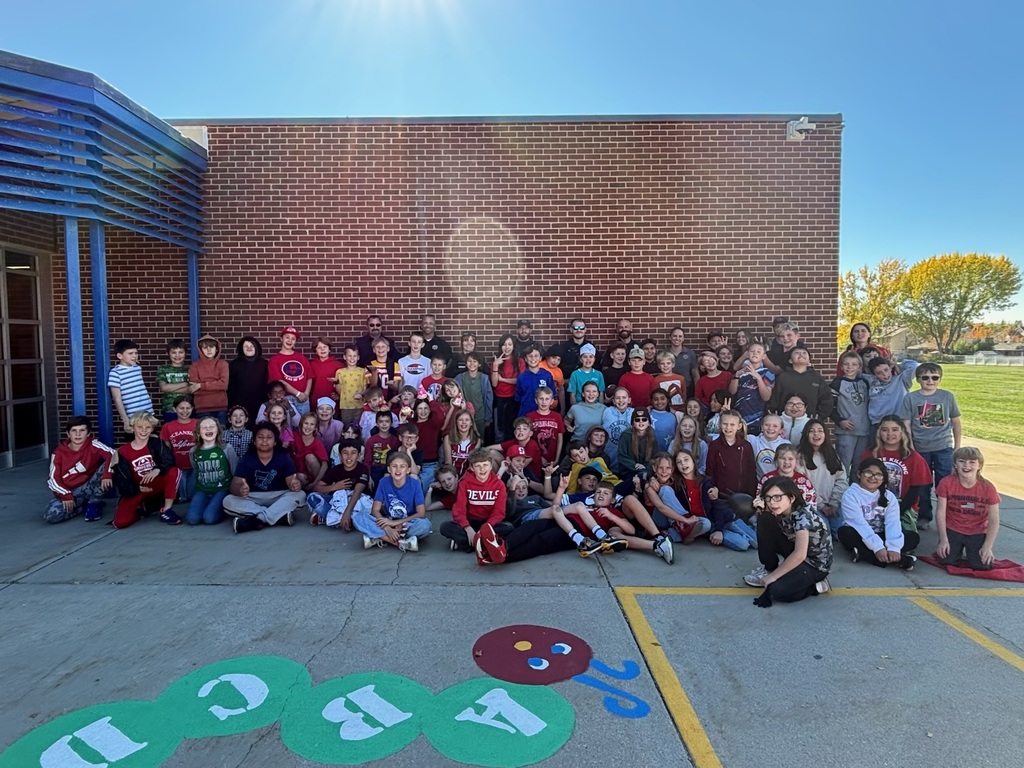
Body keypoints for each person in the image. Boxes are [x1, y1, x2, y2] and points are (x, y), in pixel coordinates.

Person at [745, 477, 833, 606]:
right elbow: (766, 517)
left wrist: (773, 577)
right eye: (768, 498)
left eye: (777, 497)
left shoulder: (802, 517)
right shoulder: (781, 508)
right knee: (764, 518)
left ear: (791, 498)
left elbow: (800, 555)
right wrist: (759, 507)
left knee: (777, 590)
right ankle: (769, 568)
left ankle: (817, 586)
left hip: (814, 564)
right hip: (796, 548)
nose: (772, 503)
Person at [900, 363, 961, 530]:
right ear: (918, 379)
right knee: (923, 484)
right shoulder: (911, 398)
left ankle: (948, 516)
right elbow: (907, 425)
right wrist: (911, 447)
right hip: (920, 448)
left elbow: (955, 422)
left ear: (940, 379)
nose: (930, 380)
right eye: (925, 377)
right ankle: (924, 516)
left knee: (945, 482)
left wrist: (957, 446)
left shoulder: (947, 396)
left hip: (943, 446)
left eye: (934, 377)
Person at [224, 422, 306, 533]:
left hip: (279, 495)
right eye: (260, 437)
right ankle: (278, 517)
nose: (264, 441)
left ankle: (259, 520)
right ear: (254, 441)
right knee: (228, 501)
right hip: (253, 497)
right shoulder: (247, 459)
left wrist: (295, 485)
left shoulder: (283, 457)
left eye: (269, 437)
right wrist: (240, 490)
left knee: (300, 495)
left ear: (275, 441)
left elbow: (292, 482)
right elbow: (234, 485)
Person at [838, 458, 918, 568]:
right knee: (845, 533)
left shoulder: (889, 496)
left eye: (878, 475)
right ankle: (897, 560)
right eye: (868, 473)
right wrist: (878, 548)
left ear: (883, 478)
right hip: (861, 534)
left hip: (882, 534)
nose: (873, 477)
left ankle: (864, 554)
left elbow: (892, 523)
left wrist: (894, 548)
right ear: (859, 474)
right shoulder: (850, 495)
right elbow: (859, 524)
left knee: (913, 537)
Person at [112, 411, 181, 528]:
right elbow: (121, 480)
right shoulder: (122, 451)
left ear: (151, 429)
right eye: (140, 427)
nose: (144, 430)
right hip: (138, 488)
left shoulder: (157, 443)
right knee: (119, 523)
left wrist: (157, 469)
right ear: (133, 428)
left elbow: (169, 461)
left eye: (148, 427)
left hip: (156, 483)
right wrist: (136, 488)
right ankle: (142, 510)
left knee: (174, 471)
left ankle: (167, 510)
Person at [936, 447, 1000, 570]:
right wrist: (943, 540)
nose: (966, 465)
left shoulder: (988, 487)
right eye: (962, 461)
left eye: (972, 462)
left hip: (977, 531)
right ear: (955, 464)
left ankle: (972, 550)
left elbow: (994, 519)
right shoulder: (946, 483)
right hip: (953, 529)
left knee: (982, 565)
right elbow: (940, 513)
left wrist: (987, 546)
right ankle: (956, 549)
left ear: (979, 466)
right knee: (946, 560)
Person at [45, 416, 117, 523]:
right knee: (51, 515)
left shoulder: (94, 445)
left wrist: (107, 475)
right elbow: (53, 480)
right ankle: (81, 507)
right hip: (70, 492)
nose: (78, 434)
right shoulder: (58, 453)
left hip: (89, 486)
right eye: (74, 431)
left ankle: (94, 504)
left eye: (82, 430)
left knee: (113, 462)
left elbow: (113, 454)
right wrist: (66, 495)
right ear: (68, 434)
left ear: (88, 433)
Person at [864, 416, 931, 531]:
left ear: (902, 432)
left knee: (905, 539)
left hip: (903, 506)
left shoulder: (914, 457)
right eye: (885, 430)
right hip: (873, 505)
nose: (890, 434)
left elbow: (917, 489)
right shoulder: (870, 454)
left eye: (895, 430)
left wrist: (898, 510)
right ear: (879, 433)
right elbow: (863, 484)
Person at [355, 450, 430, 551]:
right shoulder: (383, 482)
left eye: (402, 466)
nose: (398, 469)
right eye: (394, 466)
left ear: (408, 470)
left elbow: (421, 513)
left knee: (424, 525)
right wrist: (388, 527)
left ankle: (379, 537)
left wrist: (395, 523)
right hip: (387, 520)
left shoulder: (414, 484)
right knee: (358, 517)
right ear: (389, 469)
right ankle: (398, 542)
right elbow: (375, 510)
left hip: (407, 522)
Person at [441, 449, 512, 552]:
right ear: (472, 468)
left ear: (491, 466)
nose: (482, 469)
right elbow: (459, 510)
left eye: (485, 465)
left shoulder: (499, 485)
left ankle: (469, 543)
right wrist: (467, 528)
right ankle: (484, 544)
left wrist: (485, 529)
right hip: (471, 522)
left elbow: (499, 512)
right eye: (478, 466)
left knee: (509, 528)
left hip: (489, 523)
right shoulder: (464, 483)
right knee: (445, 527)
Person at [642, 451, 713, 544]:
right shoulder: (651, 487)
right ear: (654, 469)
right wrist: (685, 520)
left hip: (675, 519)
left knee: (706, 523)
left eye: (668, 468)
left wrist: (714, 488)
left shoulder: (675, 481)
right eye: (660, 468)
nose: (664, 471)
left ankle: (670, 534)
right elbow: (661, 507)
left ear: (673, 470)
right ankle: (682, 527)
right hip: (658, 519)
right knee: (666, 490)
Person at [797, 419, 849, 533]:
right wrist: (821, 506)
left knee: (842, 531)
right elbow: (802, 486)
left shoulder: (832, 454)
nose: (816, 434)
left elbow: (842, 480)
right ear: (806, 435)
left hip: (833, 504)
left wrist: (834, 503)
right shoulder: (799, 457)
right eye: (812, 431)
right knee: (825, 532)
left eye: (820, 431)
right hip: (812, 506)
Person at [308, 438, 372, 529]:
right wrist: (334, 487)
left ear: (359, 455)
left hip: (356, 502)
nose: (349, 457)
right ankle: (343, 520)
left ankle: (333, 519)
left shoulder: (362, 469)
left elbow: (358, 491)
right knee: (313, 497)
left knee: (363, 507)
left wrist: (347, 513)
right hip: (338, 504)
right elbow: (317, 487)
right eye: (345, 453)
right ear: (340, 456)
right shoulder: (336, 469)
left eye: (353, 453)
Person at [187, 416, 236, 526]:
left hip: (222, 489)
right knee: (192, 519)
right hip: (202, 490)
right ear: (199, 432)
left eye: (212, 427)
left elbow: (234, 470)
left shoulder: (227, 448)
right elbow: (196, 469)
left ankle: (222, 509)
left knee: (209, 519)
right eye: (204, 427)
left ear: (218, 430)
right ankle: (209, 504)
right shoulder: (194, 451)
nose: (208, 429)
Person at [830, 352, 872, 474]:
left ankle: (855, 489)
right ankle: (841, 490)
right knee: (843, 464)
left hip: (864, 430)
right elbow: (829, 406)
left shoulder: (864, 383)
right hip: (846, 431)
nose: (850, 367)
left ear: (859, 367)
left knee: (859, 465)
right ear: (841, 367)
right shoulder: (837, 383)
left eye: (854, 364)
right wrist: (839, 421)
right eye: (846, 364)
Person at [767, 346, 832, 420]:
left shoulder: (817, 378)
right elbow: (773, 400)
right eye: (797, 353)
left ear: (809, 360)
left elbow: (826, 400)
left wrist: (817, 418)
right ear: (790, 360)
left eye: (804, 353)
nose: (801, 354)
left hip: (809, 422)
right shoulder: (782, 377)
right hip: (784, 422)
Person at [108, 339, 153, 434]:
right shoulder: (115, 373)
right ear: (119, 356)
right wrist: (125, 419)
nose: (134, 356)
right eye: (130, 353)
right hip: (133, 416)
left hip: (148, 412)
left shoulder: (137, 368)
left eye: (136, 353)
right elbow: (117, 398)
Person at [729, 341, 773, 435]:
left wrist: (758, 378)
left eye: (758, 351)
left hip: (757, 419)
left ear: (763, 356)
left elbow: (766, 397)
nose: (755, 353)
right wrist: (736, 376)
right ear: (748, 354)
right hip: (739, 418)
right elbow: (732, 392)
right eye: (752, 351)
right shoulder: (741, 373)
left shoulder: (767, 373)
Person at [865, 356, 918, 434]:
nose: (885, 374)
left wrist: (896, 364)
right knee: (876, 446)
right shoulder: (871, 381)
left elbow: (914, 366)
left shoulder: (901, 380)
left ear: (890, 368)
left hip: (898, 422)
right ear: (874, 375)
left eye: (886, 370)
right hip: (877, 423)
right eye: (879, 373)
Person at [268, 326, 312, 416]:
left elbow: (309, 376)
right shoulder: (274, 359)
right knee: (286, 426)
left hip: (302, 399)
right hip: (285, 399)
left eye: (293, 339)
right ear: (281, 339)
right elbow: (279, 381)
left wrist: (306, 394)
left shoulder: (301, 358)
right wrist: (298, 393)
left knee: (304, 426)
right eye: (287, 337)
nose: (290, 341)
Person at [160, 395, 197, 501]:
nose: (185, 411)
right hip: (178, 466)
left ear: (192, 409)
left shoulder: (197, 424)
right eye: (181, 408)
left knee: (190, 496)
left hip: (194, 466)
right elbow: (166, 449)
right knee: (182, 497)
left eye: (188, 408)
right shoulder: (167, 427)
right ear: (174, 409)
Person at [227, 336, 268, 429]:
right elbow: (231, 387)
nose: (249, 348)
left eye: (251, 346)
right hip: (240, 405)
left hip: (260, 404)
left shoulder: (264, 364)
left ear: (256, 348)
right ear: (241, 348)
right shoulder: (234, 365)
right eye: (246, 346)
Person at [491, 334, 525, 442]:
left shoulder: (520, 361)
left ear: (514, 346)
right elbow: (494, 383)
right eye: (504, 344)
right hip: (499, 399)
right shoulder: (495, 362)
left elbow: (520, 381)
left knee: (512, 430)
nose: (507, 347)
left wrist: (503, 379)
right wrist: (496, 366)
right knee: (499, 430)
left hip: (514, 399)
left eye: (509, 344)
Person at [188, 334, 229, 423]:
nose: (209, 350)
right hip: (202, 409)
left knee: (221, 435)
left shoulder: (223, 364)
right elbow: (194, 389)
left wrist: (200, 385)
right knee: (203, 434)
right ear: (200, 350)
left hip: (220, 407)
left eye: (211, 347)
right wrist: (215, 385)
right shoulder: (194, 366)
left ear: (217, 348)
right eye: (205, 347)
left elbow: (223, 385)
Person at [456, 351, 493, 440]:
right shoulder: (460, 378)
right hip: (464, 417)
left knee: (479, 439)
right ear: (465, 363)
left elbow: (489, 398)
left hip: (480, 415)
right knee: (464, 439)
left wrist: (488, 417)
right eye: (469, 361)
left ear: (479, 364)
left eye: (475, 361)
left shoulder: (484, 378)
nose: (472, 363)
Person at [156, 339, 194, 422]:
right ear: (168, 354)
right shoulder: (163, 369)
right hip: (169, 408)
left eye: (180, 352)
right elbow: (164, 388)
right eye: (173, 352)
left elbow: (192, 389)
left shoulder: (190, 369)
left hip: (188, 409)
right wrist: (185, 384)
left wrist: (171, 388)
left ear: (185, 353)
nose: (177, 355)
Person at [615, 408, 657, 482]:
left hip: (647, 470)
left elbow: (655, 456)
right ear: (633, 423)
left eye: (644, 419)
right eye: (637, 420)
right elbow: (622, 456)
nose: (640, 422)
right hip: (628, 472)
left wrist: (645, 467)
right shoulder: (626, 435)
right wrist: (635, 465)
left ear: (649, 423)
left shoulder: (652, 436)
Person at [525, 386, 564, 466]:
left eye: (547, 399)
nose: (544, 402)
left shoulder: (557, 417)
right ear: (536, 400)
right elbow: (527, 440)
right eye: (541, 399)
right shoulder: (530, 416)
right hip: (535, 459)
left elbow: (560, 439)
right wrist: (537, 457)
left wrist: (557, 459)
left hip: (552, 459)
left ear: (552, 401)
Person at [514, 345, 557, 418]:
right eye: (530, 356)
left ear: (540, 358)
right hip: (526, 414)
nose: (533, 358)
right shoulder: (521, 377)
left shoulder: (547, 375)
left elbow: (553, 396)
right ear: (526, 359)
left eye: (536, 356)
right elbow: (518, 398)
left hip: (543, 415)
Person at [293, 412, 329, 491]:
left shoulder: (317, 442)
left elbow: (325, 464)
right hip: (298, 473)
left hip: (313, 474)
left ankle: (317, 487)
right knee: (300, 477)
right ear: (301, 424)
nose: (308, 427)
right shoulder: (294, 437)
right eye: (306, 423)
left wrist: (315, 483)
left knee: (310, 457)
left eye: (312, 424)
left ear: (315, 428)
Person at [601, 387, 634, 468]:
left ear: (629, 400)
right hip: (609, 456)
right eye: (617, 398)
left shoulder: (634, 412)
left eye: (624, 397)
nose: (621, 400)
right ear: (613, 401)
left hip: (628, 457)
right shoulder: (606, 412)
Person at [442, 409, 481, 477]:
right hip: (451, 476)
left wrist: (461, 481)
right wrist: (454, 480)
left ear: (471, 423)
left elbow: (471, 466)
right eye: (460, 420)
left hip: (468, 477)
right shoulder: (448, 438)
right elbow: (448, 463)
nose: (463, 422)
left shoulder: (476, 440)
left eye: (467, 420)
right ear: (456, 422)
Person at [747, 414, 787, 479]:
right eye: (767, 425)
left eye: (775, 426)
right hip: (758, 482)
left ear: (781, 430)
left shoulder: (785, 444)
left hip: (778, 482)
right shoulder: (752, 440)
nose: (770, 428)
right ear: (762, 427)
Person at [335, 343, 368, 424]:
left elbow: (365, 387)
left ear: (358, 357)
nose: (352, 358)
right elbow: (339, 391)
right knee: (346, 427)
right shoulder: (339, 372)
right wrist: (337, 383)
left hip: (359, 405)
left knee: (359, 427)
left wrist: (361, 394)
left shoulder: (363, 371)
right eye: (349, 356)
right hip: (345, 406)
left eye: (354, 356)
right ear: (344, 357)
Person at [666, 327, 700, 399]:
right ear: (670, 338)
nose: (677, 338)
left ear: (683, 339)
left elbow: (695, 372)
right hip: (668, 387)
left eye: (680, 336)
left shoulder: (690, 353)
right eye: (674, 336)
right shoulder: (664, 353)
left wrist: (698, 389)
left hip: (687, 388)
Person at [308, 338, 342, 408]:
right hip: (315, 401)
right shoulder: (311, 365)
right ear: (315, 351)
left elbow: (343, 383)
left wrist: (339, 395)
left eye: (325, 347)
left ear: (329, 349)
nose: (322, 349)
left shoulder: (338, 365)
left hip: (332, 402)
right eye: (319, 348)